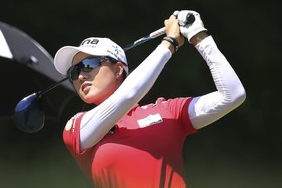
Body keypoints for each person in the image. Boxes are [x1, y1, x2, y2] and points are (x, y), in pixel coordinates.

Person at [53, 10, 246, 188]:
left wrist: (199, 37)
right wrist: (168, 43)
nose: (80, 76)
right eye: (74, 71)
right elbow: (128, 95)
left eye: (88, 65)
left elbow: (232, 95)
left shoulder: (168, 112)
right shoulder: (75, 127)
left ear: (118, 69)